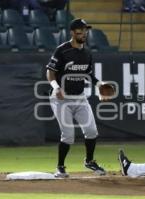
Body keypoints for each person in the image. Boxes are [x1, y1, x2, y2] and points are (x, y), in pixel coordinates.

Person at [46, 18, 109, 178]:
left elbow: (87, 74)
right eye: (81, 30)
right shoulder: (62, 50)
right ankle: (60, 167)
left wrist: (100, 85)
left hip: (79, 97)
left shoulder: (87, 52)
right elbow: (50, 71)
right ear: (73, 32)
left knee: (92, 131)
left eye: (86, 30)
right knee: (68, 135)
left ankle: (89, 161)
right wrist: (56, 87)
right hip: (61, 98)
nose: (84, 33)